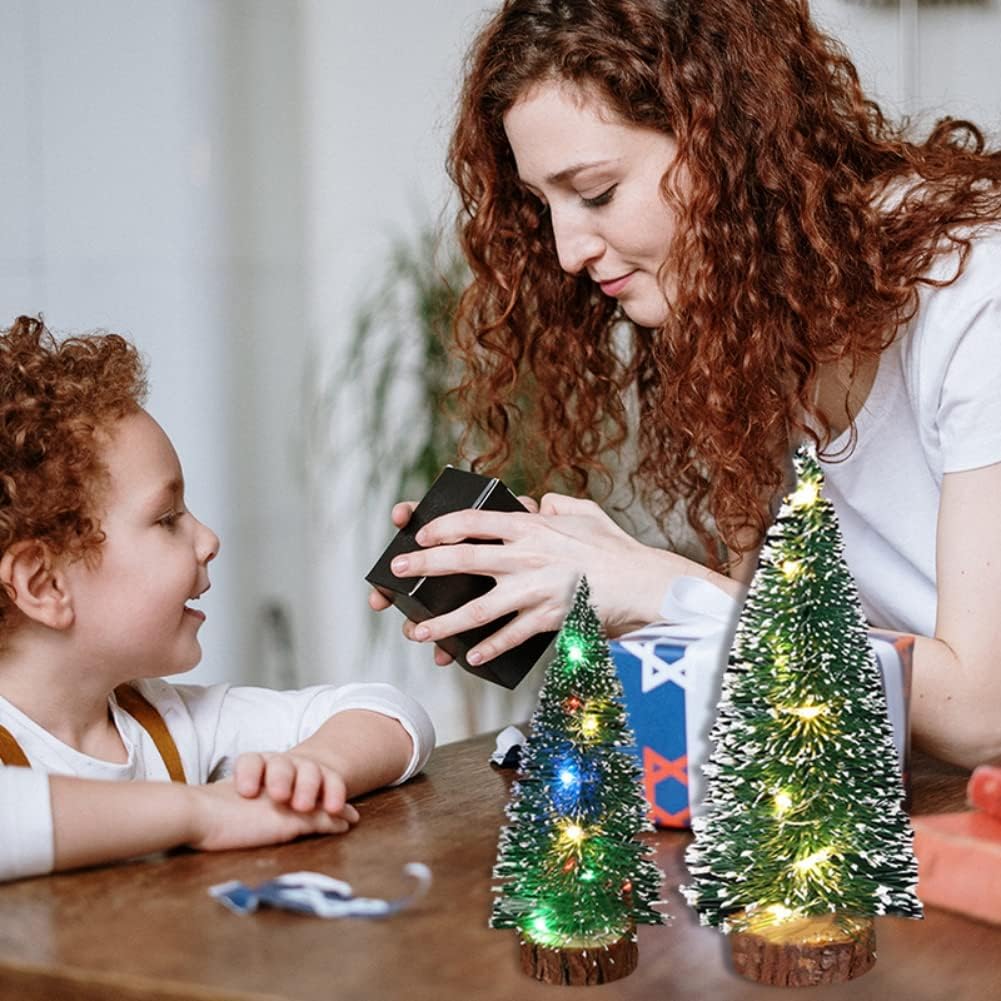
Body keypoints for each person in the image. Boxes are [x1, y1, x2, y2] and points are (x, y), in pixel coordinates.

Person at [370, 0, 1001, 770]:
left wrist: (657, 586)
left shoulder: (976, 290)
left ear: (729, 142)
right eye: (544, 204)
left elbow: (982, 714)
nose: (567, 251)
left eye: (595, 192)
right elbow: (776, 657)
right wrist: (584, 581)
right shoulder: (745, 325)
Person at [0, 316, 435, 882]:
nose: (208, 539)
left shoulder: (167, 722)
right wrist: (203, 813)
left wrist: (312, 767)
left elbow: (394, 714)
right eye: (166, 518)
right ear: (44, 584)